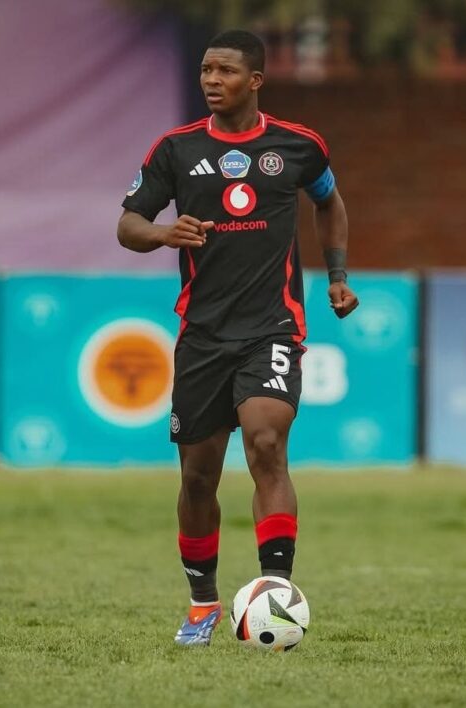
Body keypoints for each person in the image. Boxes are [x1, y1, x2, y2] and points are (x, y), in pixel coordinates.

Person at [117, 29, 359, 646]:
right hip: (202, 336)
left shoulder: (298, 146)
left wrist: (336, 276)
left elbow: (330, 204)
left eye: (224, 71)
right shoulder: (176, 149)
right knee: (198, 478)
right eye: (205, 70)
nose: (211, 81)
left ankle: (275, 593)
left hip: (272, 327)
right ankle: (202, 604)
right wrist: (163, 234)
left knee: (266, 442)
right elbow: (128, 224)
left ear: (255, 81)